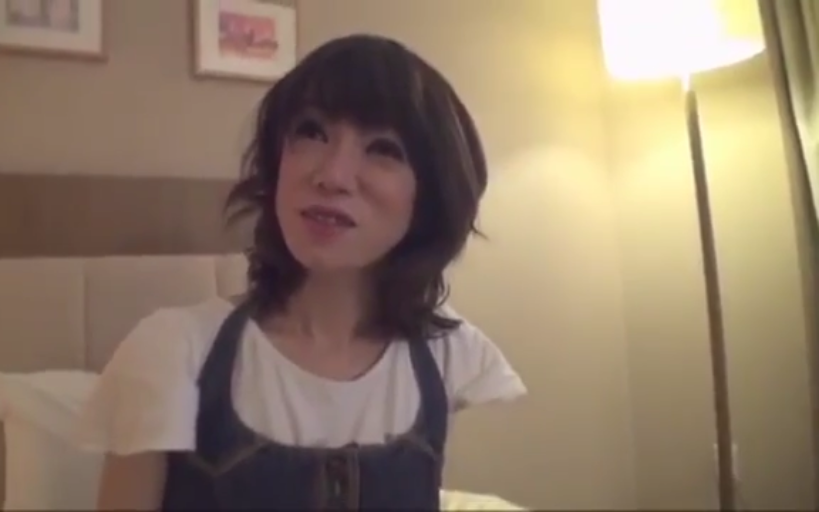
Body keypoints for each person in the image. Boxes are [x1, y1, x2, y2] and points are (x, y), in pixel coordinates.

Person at [76, 33, 526, 510]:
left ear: (429, 195)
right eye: (311, 132)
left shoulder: (448, 355)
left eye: (384, 149)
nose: (332, 175)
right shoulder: (175, 352)